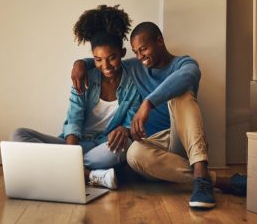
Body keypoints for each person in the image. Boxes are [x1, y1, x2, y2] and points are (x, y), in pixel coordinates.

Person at [71, 22, 246, 209]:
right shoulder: (136, 67)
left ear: (160, 41)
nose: (140, 56)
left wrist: (148, 102)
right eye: (136, 51)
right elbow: (108, 60)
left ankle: (201, 172)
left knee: (182, 94)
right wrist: (80, 64)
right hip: (153, 147)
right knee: (133, 153)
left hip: (179, 138)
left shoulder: (183, 63)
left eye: (144, 49)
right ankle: (215, 181)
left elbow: (190, 74)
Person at [12, 5, 142, 189]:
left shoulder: (133, 82)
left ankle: (55, 170)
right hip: (76, 142)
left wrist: (125, 129)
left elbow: (131, 121)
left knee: (124, 147)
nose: (106, 65)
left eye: (112, 57)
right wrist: (70, 155)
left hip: (104, 147)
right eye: (98, 59)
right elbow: (74, 119)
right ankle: (91, 176)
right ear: (92, 58)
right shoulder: (85, 77)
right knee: (19, 135)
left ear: (122, 53)